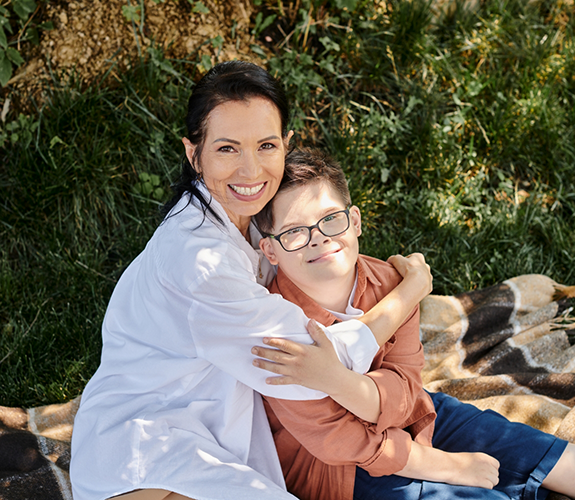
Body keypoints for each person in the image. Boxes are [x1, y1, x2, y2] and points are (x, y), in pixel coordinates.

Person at [69, 61, 432, 500]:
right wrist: (408, 293)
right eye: (227, 149)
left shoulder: (258, 221)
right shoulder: (200, 262)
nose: (250, 170)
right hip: (147, 454)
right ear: (193, 154)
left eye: (265, 145)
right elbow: (308, 365)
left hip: (214, 432)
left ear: (286, 145)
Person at [252, 147, 575, 500]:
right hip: (336, 471)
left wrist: (337, 382)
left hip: (410, 414)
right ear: (270, 251)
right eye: (294, 231)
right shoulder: (273, 327)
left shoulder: (393, 284)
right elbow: (336, 440)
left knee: (535, 451)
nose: (318, 237)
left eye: (331, 218)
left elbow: (406, 393)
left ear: (355, 221)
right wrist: (443, 466)